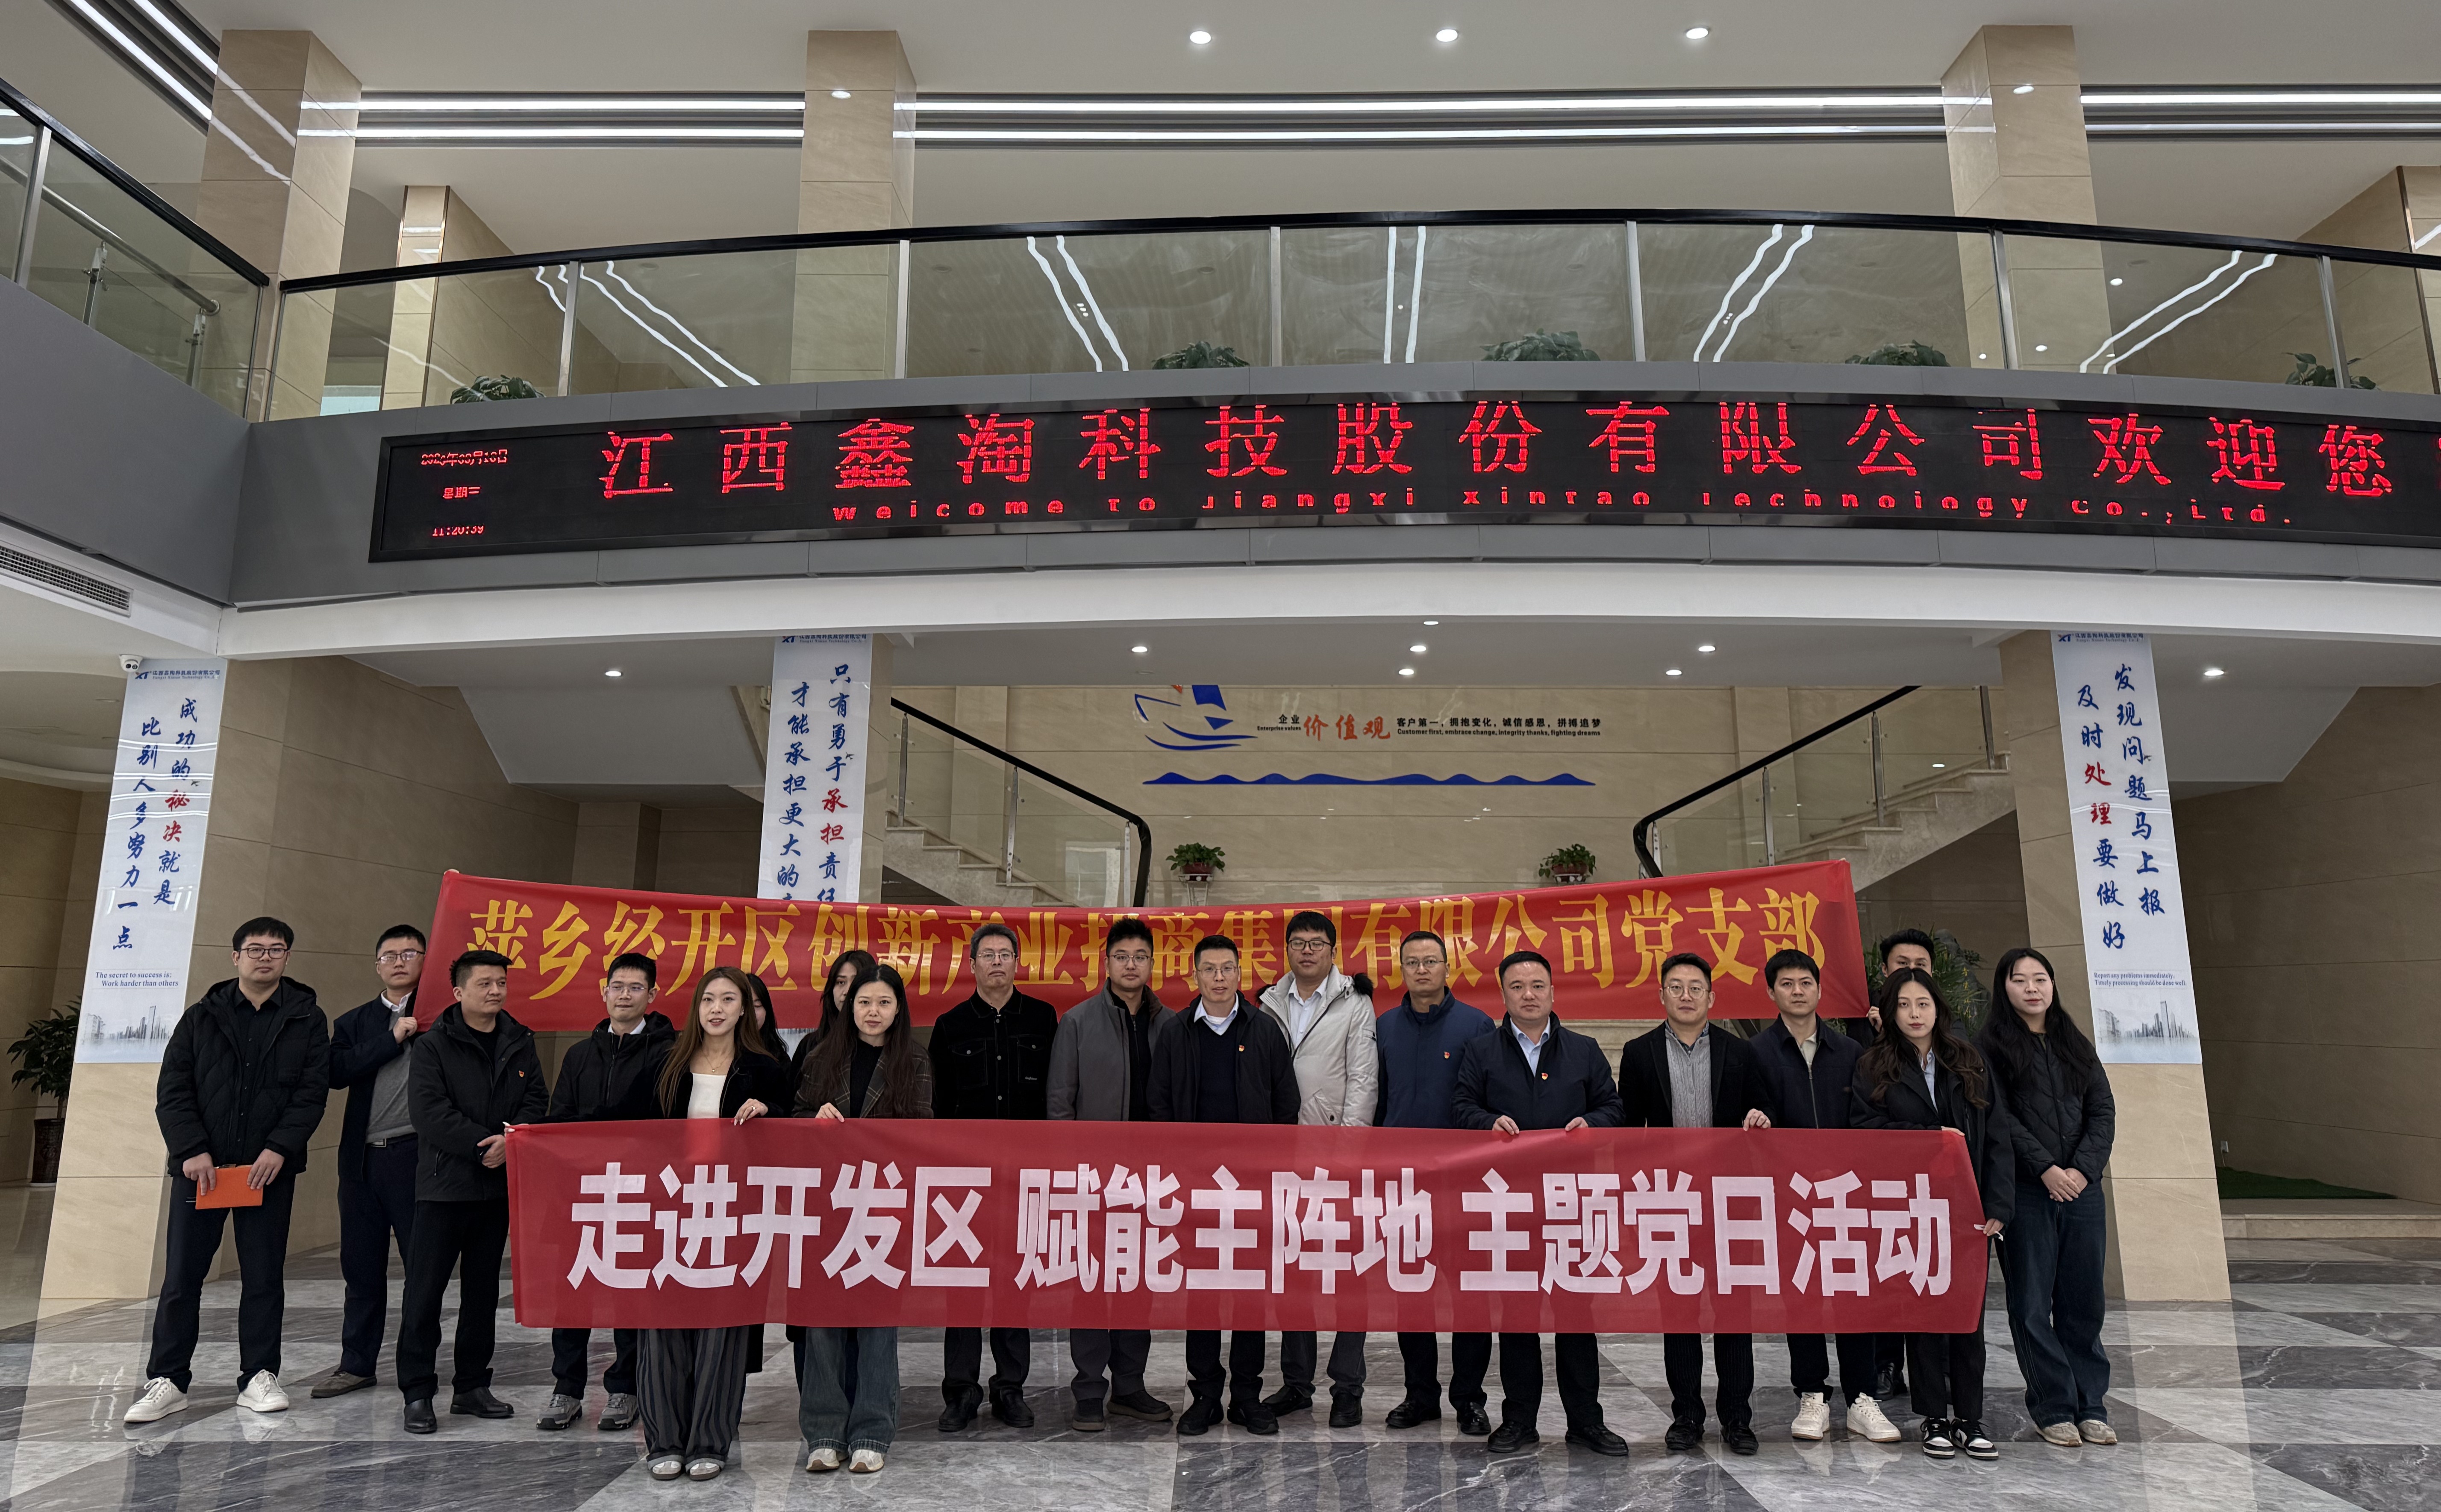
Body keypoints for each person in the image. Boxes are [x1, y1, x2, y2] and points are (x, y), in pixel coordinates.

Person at [126, 917, 331, 1425]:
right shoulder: (201, 1016)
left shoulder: (307, 1017)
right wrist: (191, 1149)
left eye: (276, 949)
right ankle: (168, 1378)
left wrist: (280, 1148)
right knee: (183, 1277)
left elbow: (311, 1093)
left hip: (268, 1170)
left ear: (288, 957)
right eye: (255, 949)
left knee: (263, 1276)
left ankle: (259, 1375)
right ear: (236, 956)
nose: (266, 957)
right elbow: (173, 1089)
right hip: (203, 1171)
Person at [1451, 950, 1630, 1458]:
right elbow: (1461, 1106)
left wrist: (1592, 1123)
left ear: (1553, 992)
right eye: (1517, 986)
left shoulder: (1584, 1049)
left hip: (1570, 1203)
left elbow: (1613, 1106)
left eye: (1537, 985)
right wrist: (1487, 1122)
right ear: (1503, 994)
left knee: (1576, 1315)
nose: (1528, 994)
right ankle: (1519, 1420)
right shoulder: (1481, 1050)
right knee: (1517, 1316)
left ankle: (1586, 1420)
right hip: (1508, 1204)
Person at [1851, 967, 2013, 1462]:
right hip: (1911, 1206)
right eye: (1904, 1005)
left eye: (1923, 1003)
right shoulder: (1873, 1064)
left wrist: (1998, 1204)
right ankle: (1934, 1416)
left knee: (1967, 1316)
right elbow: (1864, 1131)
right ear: (1890, 1012)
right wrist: (1929, 1139)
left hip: (1967, 1207)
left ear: (1938, 1008)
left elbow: (1998, 1134)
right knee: (1922, 1313)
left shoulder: (1969, 1060)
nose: (1915, 1013)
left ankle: (1970, 1417)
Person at [634, 967, 790, 1480]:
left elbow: (795, 1125)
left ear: (745, 1008)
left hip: (734, 1211)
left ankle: (709, 1439)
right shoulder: (666, 1061)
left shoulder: (765, 1066)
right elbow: (618, 1121)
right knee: (663, 1325)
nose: (717, 1008)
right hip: (670, 1208)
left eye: (728, 999)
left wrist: (769, 1111)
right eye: (708, 999)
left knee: (724, 1327)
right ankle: (664, 1440)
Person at [1618, 953, 1774, 1457]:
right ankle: (1686, 1415)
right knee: (1679, 1312)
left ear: (1712, 996)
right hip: (1669, 1201)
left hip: (1729, 1201)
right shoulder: (1639, 1052)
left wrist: (1761, 1116)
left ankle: (1737, 1417)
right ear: (1661, 995)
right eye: (1676, 986)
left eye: (1695, 987)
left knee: (1734, 1312)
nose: (1686, 995)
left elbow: (1766, 1108)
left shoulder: (1741, 1051)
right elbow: (1627, 1131)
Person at [1148, 934, 1300, 1437]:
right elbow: (1159, 1105)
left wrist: (1272, 1171)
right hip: (1195, 1188)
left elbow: (1286, 1105)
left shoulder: (1264, 1029)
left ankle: (1247, 1396)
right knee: (1203, 1294)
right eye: (1209, 968)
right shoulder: (1175, 1032)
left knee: (1250, 1293)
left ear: (1240, 973)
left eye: (1227, 968)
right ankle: (1206, 1396)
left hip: (1252, 1187)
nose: (1218, 977)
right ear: (1194, 975)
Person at [1748, 949, 1899, 1445]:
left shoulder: (1851, 1051)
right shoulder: (1757, 1052)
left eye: (1805, 982)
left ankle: (1862, 1398)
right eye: (1787, 983)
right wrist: (1757, 1118)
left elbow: (1871, 1116)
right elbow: (1753, 1112)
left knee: (1855, 1296)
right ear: (1771, 992)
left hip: (1846, 1192)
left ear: (1819, 989)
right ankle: (1811, 1393)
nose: (1797, 991)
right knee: (1803, 1297)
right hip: (1790, 1194)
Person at [396, 948, 548, 1435]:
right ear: (459, 991)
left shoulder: (519, 1040)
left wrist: (511, 1141)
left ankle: (472, 1386)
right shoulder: (433, 1045)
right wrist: (484, 1145)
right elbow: (428, 1112)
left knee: (482, 1294)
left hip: (497, 1188)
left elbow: (537, 1101)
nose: (495, 991)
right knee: (425, 1293)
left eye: (501, 982)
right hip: (444, 1187)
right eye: (485, 983)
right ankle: (418, 1392)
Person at [795, 963, 935, 1475]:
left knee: (878, 1321)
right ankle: (824, 1433)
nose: (873, 1011)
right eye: (864, 1002)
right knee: (822, 1319)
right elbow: (794, 1117)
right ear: (848, 1005)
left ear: (898, 1009)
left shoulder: (914, 1059)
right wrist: (812, 1120)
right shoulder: (820, 1056)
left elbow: (922, 1131)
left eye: (883, 1002)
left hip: (883, 1203)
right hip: (826, 1202)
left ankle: (873, 1431)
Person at [1979, 947, 2117, 1449]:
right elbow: (1999, 1117)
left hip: (2083, 1191)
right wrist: (2046, 1169)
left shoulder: (2074, 1042)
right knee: (2032, 1303)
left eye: (2040, 978)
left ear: (2053, 985)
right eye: (2020, 979)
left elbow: (2102, 1110)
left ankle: (2091, 1404)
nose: (2032, 988)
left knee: (2084, 1302)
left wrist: (2081, 1169)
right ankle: (2053, 1406)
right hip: (2027, 1192)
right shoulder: (1990, 1046)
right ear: (2004, 987)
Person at [533, 951, 673, 1433]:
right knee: (573, 1291)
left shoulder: (668, 1053)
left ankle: (624, 1387)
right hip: (582, 1192)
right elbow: (560, 1121)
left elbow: (663, 1126)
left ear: (652, 995)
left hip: (638, 1193)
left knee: (630, 1294)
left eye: (636, 988)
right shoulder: (579, 1054)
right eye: (618, 986)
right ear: (604, 991)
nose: (625, 995)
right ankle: (567, 1387)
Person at [1045, 917, 1174, 1431]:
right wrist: (1071, 1173)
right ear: (1107, 962)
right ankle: (1088, 1389)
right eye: (1122, 956)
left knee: (1139, 1282)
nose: (1131, 965)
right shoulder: (1078, 1021)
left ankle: (1130, 1386)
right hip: (1093, 1179)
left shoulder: (1171, 1024)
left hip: (1152, 1179)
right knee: (1091, 1283)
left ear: (1152, 963)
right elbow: (1060, 1103)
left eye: (1140, 956)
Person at [928, 922, 1057, 1432]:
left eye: (1006, 954)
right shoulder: (950, 1024)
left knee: (1014, 1282)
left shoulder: (1044, 1018)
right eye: (989, 954)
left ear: (1018, 962)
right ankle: (961, 1390)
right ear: (972, 963)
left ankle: (1010, 1388)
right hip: (965, 1180)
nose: (998, 962)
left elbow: (1054, 1097)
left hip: (1024, 1177)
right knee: (961, 1285)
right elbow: (938, 1107)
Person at [1256, 910, 1379, 1428]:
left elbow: (1363, 1082)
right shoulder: (1268, 1001)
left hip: (1336, 1158)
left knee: (1350, 1275)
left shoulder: (1355, 1003)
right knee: (1294, 1273)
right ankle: (1296, 1382)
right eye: (1298, 942)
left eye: (1317, 943)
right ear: (1287, 949)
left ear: (1333, 951)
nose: (1307, 951)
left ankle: (1347, 1386)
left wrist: (1346, 1158)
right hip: (1283, 1158)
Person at [1373, 928, 1496, 1436]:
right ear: (1401, 969)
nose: (1422, 970)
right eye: (1413, 962)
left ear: (1448, 967)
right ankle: (1420, 1394)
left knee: (1470, 1294)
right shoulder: (1384, 1026)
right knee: (1412, 1293)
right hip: (1403, 1184)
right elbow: (1377, 1101)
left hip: (1462, 1184)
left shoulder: (1477, 1024)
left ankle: (1469, 1398)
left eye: (1431, 961)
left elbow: (1487, 1099)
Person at [313, 924, 426, 1400]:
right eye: (390, 955)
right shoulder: (355, 1021)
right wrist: (392, 1037)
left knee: (423, 1271)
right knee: (361, 1270)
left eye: (410, 953)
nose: (399, 962)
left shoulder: (442, 1018)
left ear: (425, 960)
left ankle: (416, 1370)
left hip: (416, 1158)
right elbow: (336, 1072)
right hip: (362, 1163)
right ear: (377, 965)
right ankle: (356, 1364)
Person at [1857, 926, 1938, 1399]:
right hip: (1886, 1186)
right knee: (1889, 1274)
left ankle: (1938, 1375)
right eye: (1900, 964)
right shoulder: (1860, 1029)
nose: (1909, 970)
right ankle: (1886, 1364)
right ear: (1883, 970)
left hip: (1943, 1188)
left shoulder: (1956, 1044)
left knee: (1934, 1278)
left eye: (1920, 965)